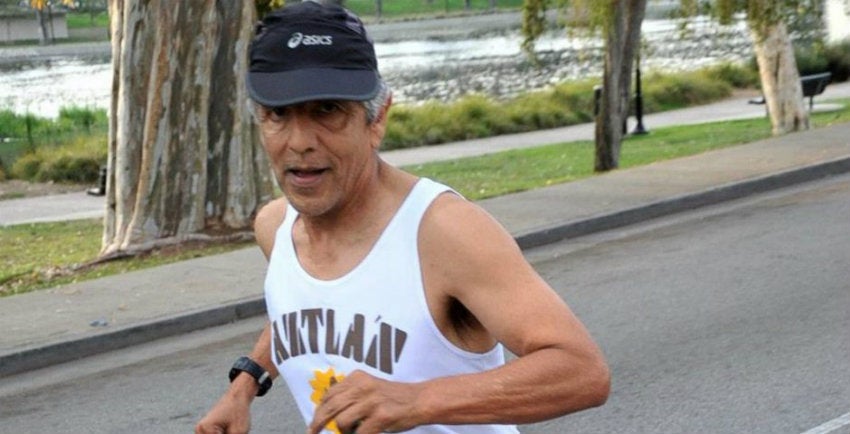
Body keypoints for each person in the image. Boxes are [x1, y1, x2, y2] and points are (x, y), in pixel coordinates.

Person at [196, 2, 610, 433]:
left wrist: (420, 400)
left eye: (327, 110)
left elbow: (582, 371)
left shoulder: (442, 232)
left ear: (377, 119)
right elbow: (303, 312)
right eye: (279, 114)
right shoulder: (276, 228)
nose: (300, 141)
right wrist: (244, 386)